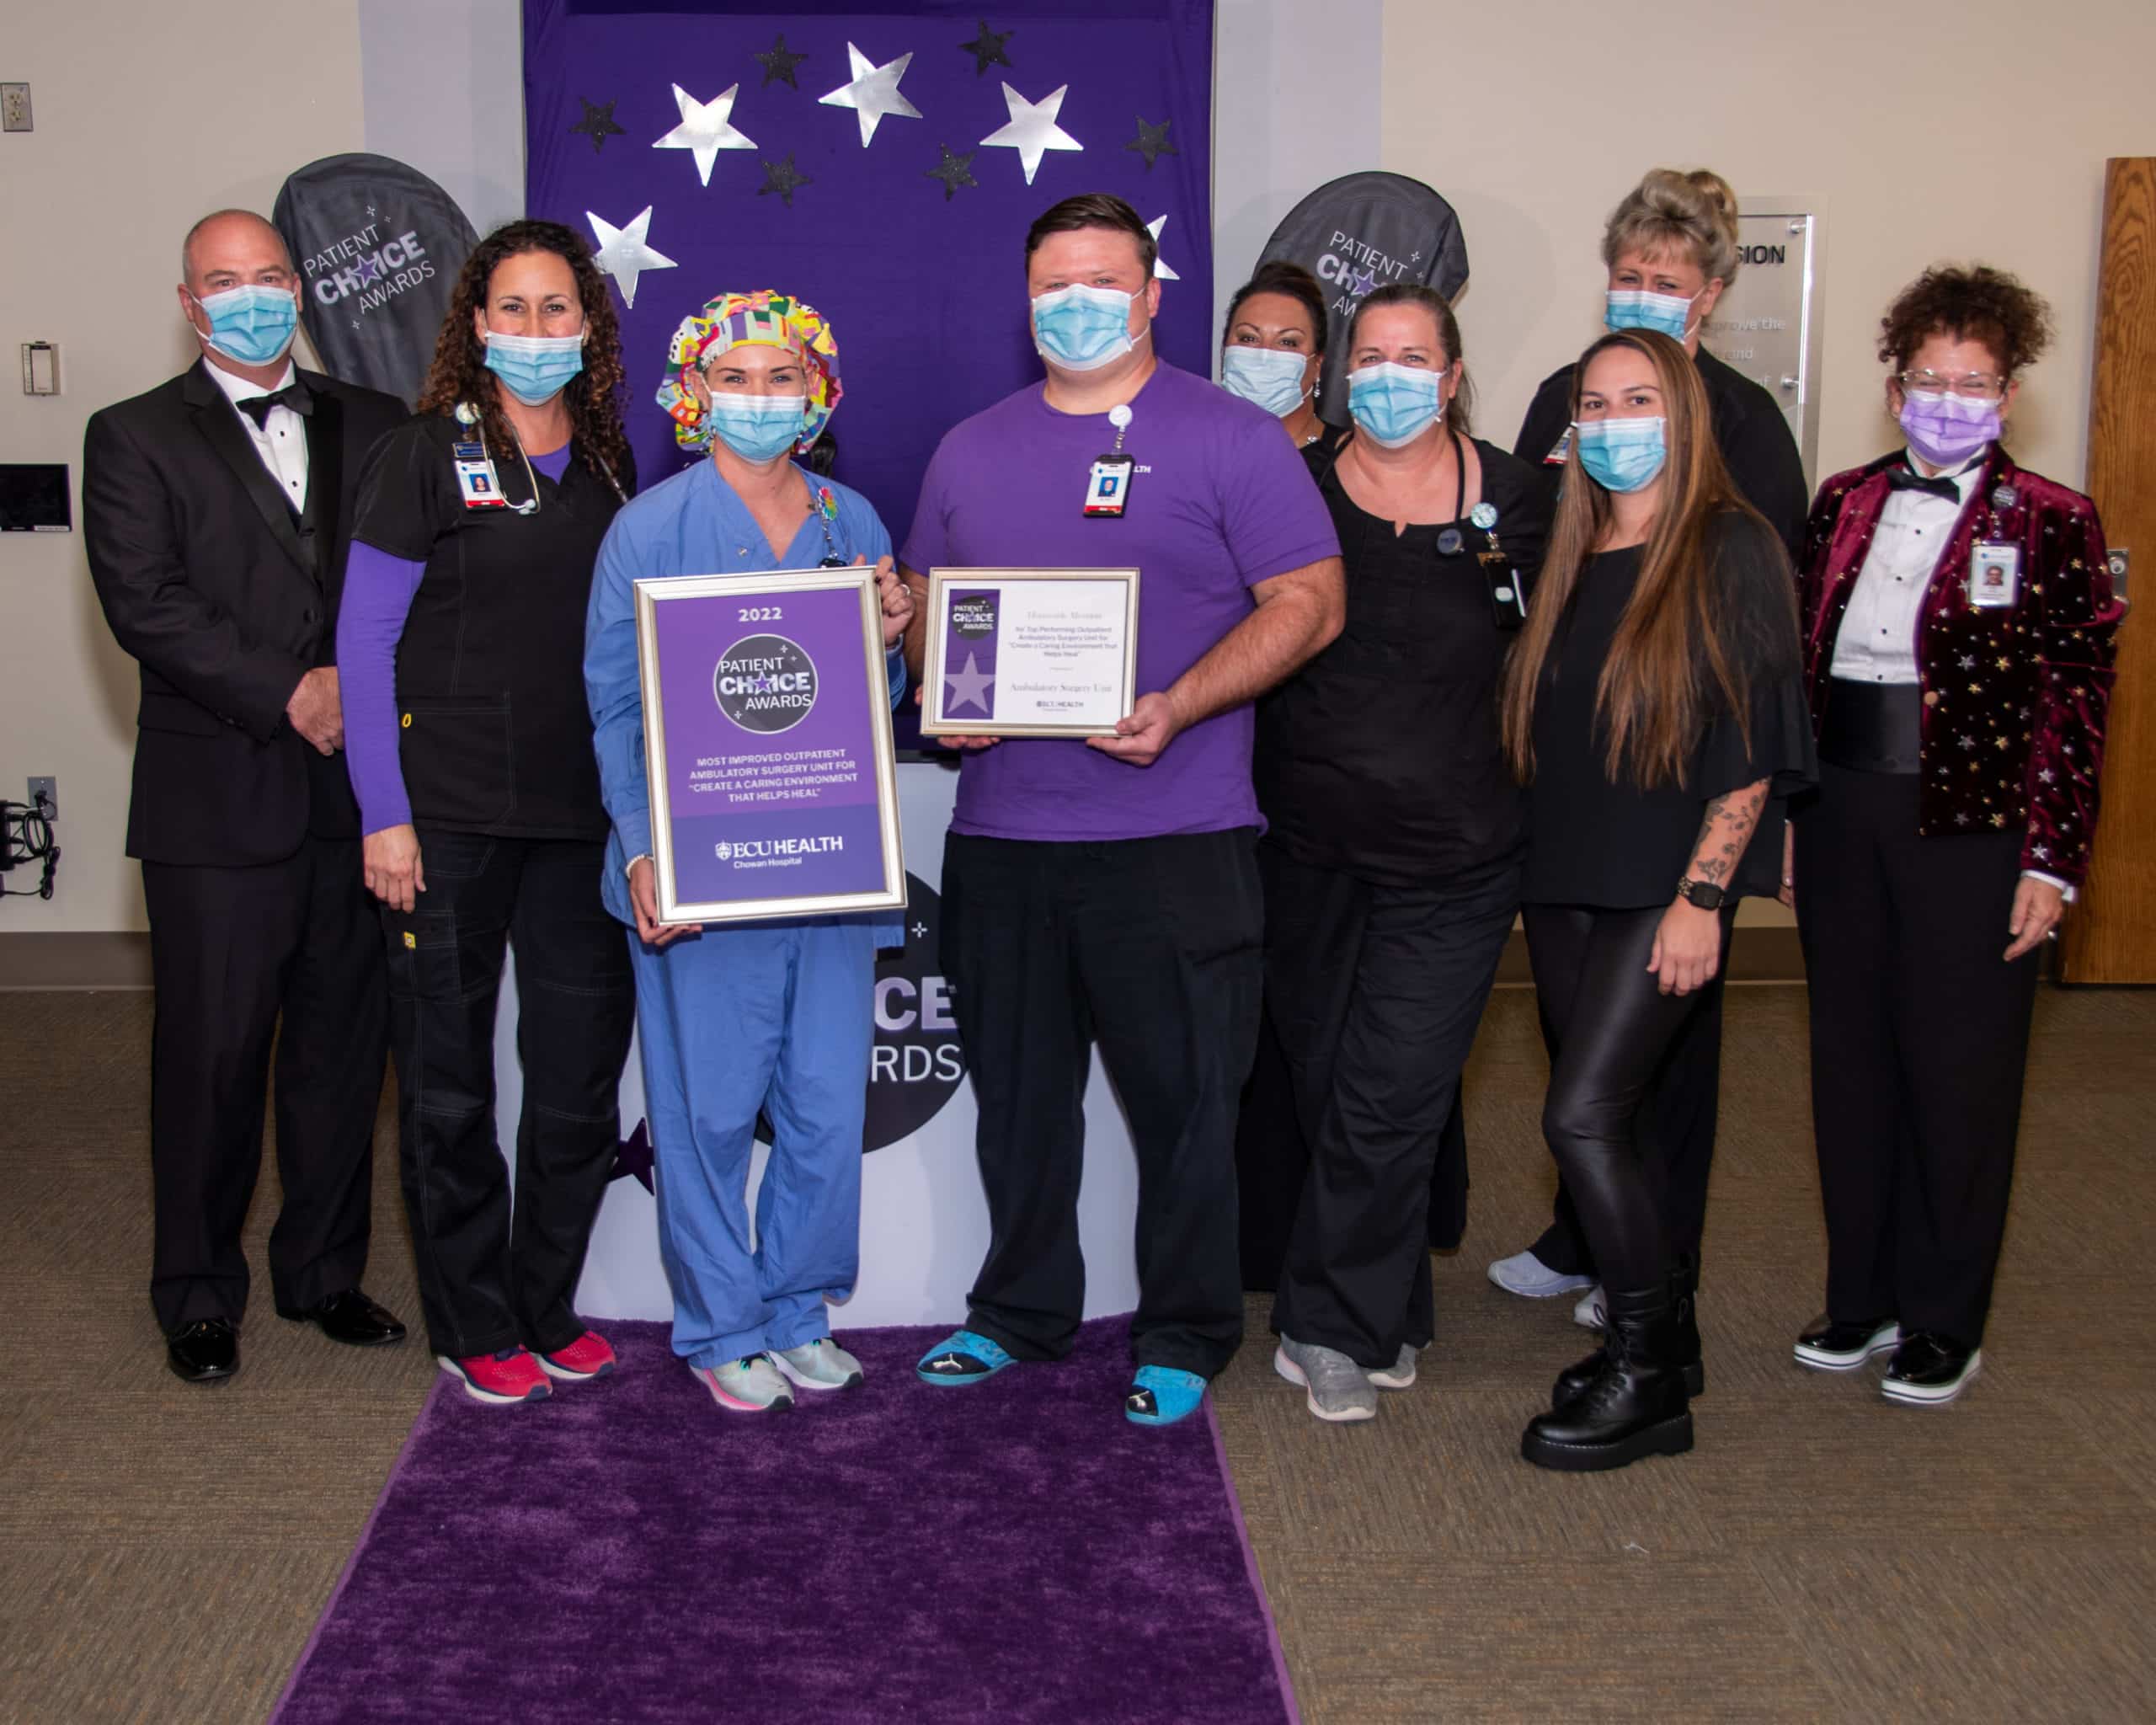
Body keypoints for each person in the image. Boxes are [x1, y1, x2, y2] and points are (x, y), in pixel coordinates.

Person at [901, 193, 1344, 1427]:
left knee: (1189, 1107)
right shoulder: (969, 448)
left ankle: (1188, 1329)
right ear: (1025, 299)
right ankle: (1018, 1313)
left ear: (1154, 298)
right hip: (1003, 840)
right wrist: (941, 685)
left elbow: (1311, 600)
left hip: (1179, 839)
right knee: (1017, 1106)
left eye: (1104, 281)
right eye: (1054, 285)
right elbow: (934, 611)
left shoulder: (1231, 438)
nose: (1078, 303)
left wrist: (1182, 702)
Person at [83, 210, 409, 1385]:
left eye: (269, 276)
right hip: (214, 802)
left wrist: (351, 694)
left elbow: (407, 579)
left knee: (339, 1052)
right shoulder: (128, 437)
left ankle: (324, 1274)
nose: (251, 298)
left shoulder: (377, 423)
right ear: (189, 303)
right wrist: (289, 692)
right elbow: (145, 601)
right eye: (225, 283)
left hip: (357, 798)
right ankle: (197, 1292)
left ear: (301, 290)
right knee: (212, 1057)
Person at [1788, 266, 2121, 1406]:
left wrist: (2053, 858)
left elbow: (2079, 699)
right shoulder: (1841, 500)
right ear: (1893, 388)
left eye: (1971, 383)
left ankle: (1943, 1316)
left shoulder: (2056, 520)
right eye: (1929, 379)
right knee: (1850, 1061)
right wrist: (1790, 816)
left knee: (1958, 1070)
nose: (1947, 399)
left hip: (1971, 822)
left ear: (2009, 392)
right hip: (1842, 806)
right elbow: (1799, 664)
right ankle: (1861, 1295)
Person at [586, 289, 915, 1415]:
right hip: (701, 875)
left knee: (827, 1105)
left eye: (785, 378)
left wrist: (890, 641)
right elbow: (618, 707)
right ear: (694, 391)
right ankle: (722, 1322)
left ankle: (797, 1309)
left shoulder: (852, 520)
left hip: (828, 861)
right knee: (708, 1111)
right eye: (737, 377)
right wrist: (643, 850)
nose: (760, 398)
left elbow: (876, 703)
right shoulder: (649, 529)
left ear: (818, 393)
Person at [1494, 166, 1810, 1332]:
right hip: (1574, 818)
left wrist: (1717, 880)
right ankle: (1598, 1242)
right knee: (1579, 1066)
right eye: (1624, 278)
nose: (1641, 298)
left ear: (1712, 296)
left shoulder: (1742, 456)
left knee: (1648, 1069)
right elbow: (1520, 585)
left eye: (1664, 284)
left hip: (1679, 823)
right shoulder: (1557, 410)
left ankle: (1656, 1281)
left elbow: (1756, 670)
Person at [339, 219, 636, 1406]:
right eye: (509, 309)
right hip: (442, 820)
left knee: (576, 1080)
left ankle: (543, 1302)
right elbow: (364, 644)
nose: (531, 331)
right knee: (451, 1083)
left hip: (581, 823)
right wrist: (382, 813)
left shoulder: (613, 469)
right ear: (475, 327)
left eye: (554, 309)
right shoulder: (422, 454)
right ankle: (472, 1322)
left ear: (587, 329)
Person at [1257, 284, 1552, 1422]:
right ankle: (1386, 1307)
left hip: (1462, 858)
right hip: (1307, 851)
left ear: (1455, 373)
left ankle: (1323, 1327)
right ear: (1339, 376)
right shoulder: (1289, 491)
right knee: (1334, 1084)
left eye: (1413, 356)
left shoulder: (1525, 502)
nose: (1390, 376)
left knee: (1394, 1091)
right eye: (1369, 357)